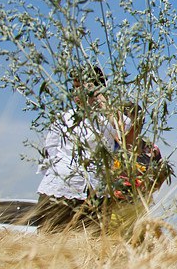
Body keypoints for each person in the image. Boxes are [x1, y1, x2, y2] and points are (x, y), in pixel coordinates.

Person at [35, 66, 125, 232]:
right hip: (59, 190)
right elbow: (51, 150)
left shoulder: (106, 120)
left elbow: (124, 132)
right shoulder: (65, 118)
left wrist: (100, 98)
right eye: (74, 87)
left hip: (95, 193)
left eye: (82, 87)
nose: (77, 92)